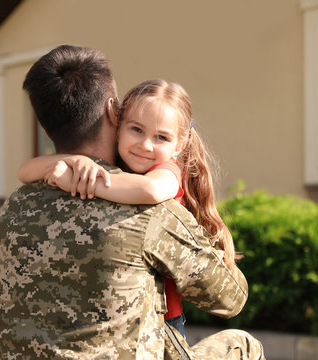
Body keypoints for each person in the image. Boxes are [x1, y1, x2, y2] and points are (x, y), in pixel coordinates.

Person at [0, 44, 265, 359]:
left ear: (44, 125)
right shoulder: (146, 211)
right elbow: (231, 297)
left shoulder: (14, 206)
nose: (146, 143)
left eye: (160, 137)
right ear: (112, 110)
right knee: (243, 346)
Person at [17, 79, 240, 339]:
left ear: (180, 144)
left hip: (163, 321)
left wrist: (87, 183)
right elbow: (24, 171)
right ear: (118, 125)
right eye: (136, 129)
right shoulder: (117, 165)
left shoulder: (167, 171)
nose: (146, 145)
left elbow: (150, 191)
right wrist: (72, 160)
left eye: (161, 137)